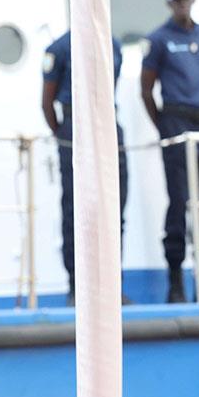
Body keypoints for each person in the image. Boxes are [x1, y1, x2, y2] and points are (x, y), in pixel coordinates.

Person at [141, 0, 199, 304]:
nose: (182, 4)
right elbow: (146, 90)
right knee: (178, 201)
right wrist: (163, 126)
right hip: (175, 119)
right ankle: (176, 280)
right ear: (168, 3)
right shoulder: (158, 40)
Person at [41, 30, 129, 305]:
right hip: (74, 125)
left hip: (108, 126)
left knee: (115, 209)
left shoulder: (113, 45)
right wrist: (66, 134)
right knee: (74, 210)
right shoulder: (60, 48)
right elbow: (47, 102)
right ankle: (76, 287)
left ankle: (112, 287)